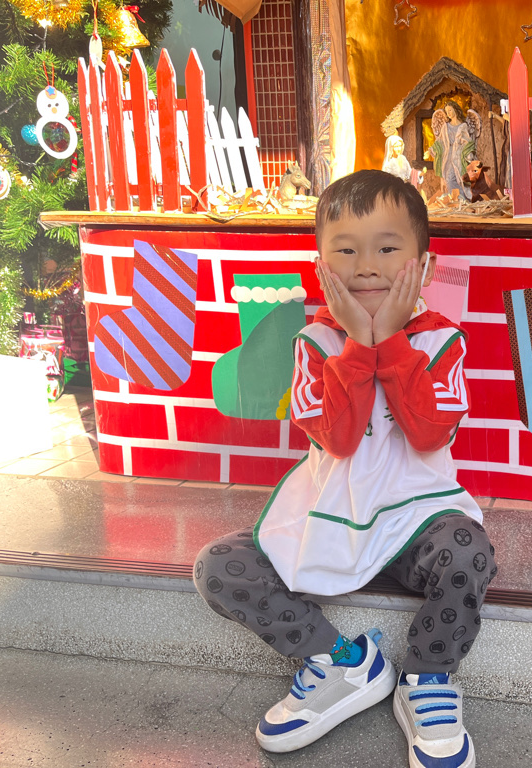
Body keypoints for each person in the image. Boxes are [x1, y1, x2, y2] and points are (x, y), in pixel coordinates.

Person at [193, 169, 494, 768]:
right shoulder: (315, 344)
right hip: (327, 519)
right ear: (320, 267)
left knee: (469, 552)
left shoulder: (443, 343)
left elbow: (430, 432)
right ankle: (343, 663)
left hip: (415, 524)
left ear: (425, 266)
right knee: (218, 567)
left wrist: (392, 345)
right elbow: (339, 437)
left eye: (387, 248)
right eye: (346, 251)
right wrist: (358, 344)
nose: (367, 268)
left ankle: (428, 677)